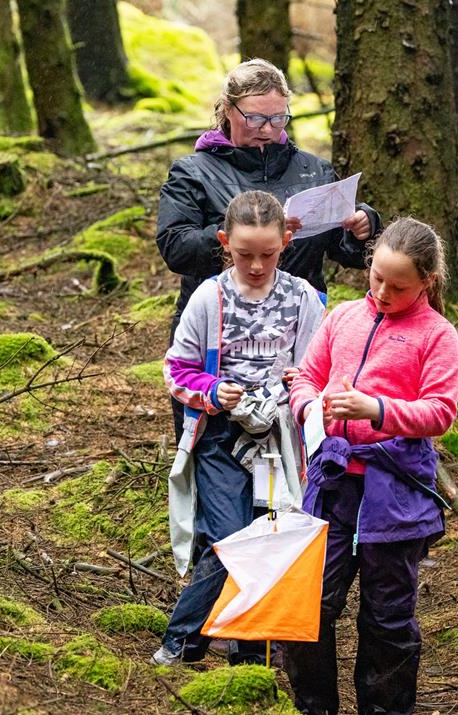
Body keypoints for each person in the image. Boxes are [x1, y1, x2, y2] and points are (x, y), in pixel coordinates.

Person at [283, 218, 458, 715]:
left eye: (398, 286)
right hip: (333, 486)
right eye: (377, 277)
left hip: (396, 492)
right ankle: (313, 706)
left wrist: (376, 409)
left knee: (387, 620)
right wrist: (309, 407)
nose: (383, 292)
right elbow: (307, 378)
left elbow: (440, 412)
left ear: (426, 281)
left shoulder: (437, 335)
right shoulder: (342, 317)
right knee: (310, 605)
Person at [157, 58, 381, 439]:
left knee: (293, 448)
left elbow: (346, 254)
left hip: (296, 330)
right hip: (219, 331)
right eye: (256, 119)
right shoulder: (193, 171)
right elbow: (175, 246)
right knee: (212, 445)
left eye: (279, 119)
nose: (268, 130)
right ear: (229, 110)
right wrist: (245, 237)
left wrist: (363, 227)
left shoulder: (312, 170)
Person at [155, 190, 327, 667]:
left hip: (277, 441)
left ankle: (249, 651)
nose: (255, 265)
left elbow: (321, 368)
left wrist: (301, 385)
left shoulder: (303, 299)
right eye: (244, 254)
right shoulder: (208, 298)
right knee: (228, 536)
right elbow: (177, 369)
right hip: (219, 438)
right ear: (224, 242)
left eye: (267, 254)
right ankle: (182, 640)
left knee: (268, 534)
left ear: (287, 242)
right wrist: (212, 392)